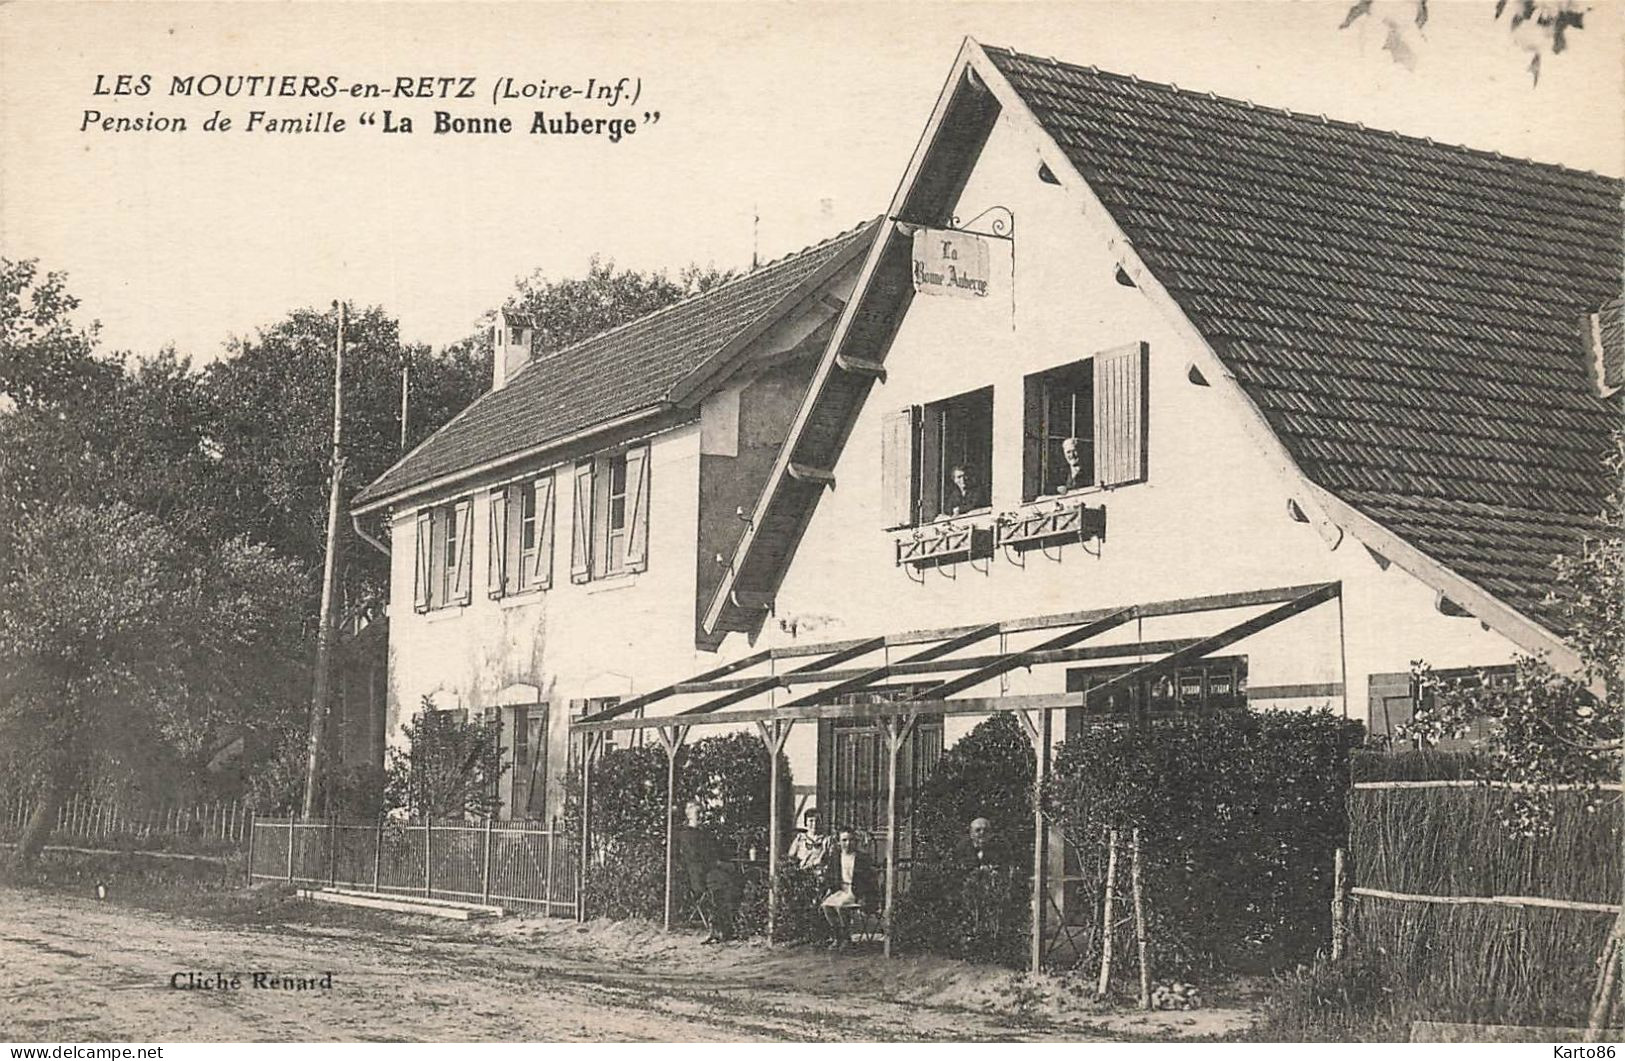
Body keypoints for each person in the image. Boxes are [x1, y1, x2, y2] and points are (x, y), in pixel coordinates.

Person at [675, 800, 742, 943]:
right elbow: (695, 857)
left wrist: (724, 862)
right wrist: (718, 864)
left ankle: (728, 927)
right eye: (698, 813)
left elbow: (715, 851)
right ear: (689, 815)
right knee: (722, 883)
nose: (701, 816)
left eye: (702, 813)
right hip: (698, 874)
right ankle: (719, 928)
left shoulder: (705, 833)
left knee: (734, 879)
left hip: (712, 871)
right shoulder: (686, 835)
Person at [818, 827, 879, 949]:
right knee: (826, 906)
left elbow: (870, 880)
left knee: (841, 906)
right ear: (839, 842)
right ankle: (837, 937)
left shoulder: (862, 858)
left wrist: (864, 896)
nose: (848, 843)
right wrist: (829, 890)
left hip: (856, 891)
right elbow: (830, 876)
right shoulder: (836, 857)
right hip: (840, 890)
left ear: (856, 842)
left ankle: (846, 938)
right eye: (844, 840)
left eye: (851, 840)